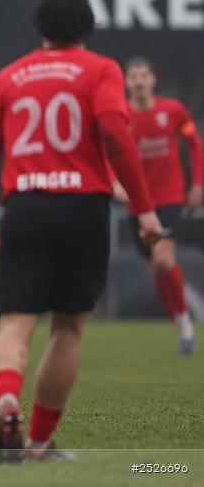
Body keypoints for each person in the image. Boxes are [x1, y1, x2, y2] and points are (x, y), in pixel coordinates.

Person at [0, 0, 162, 463]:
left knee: (15, 325)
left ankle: (7, 402)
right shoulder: (100, 70)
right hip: (82, 209)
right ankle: (36, 442)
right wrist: (144, 208)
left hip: (26, 208)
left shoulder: (10, 76)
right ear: (87, 28)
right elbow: (117, 137)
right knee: (68, 329)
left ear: (41, 28)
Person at [111, 57, 201, 354]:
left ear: (153, 79)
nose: (138, 80)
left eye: (143, 75)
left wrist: (198, 184)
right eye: (133, 75)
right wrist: (114, 182)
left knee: (163, 260)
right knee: (157, 271)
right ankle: (183, 325)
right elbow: (105, 149)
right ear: (126, 83)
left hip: (169, 197)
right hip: (138, 203)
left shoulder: (173, 111)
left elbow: (195, 145)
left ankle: (186, 323)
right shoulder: (121, 115)